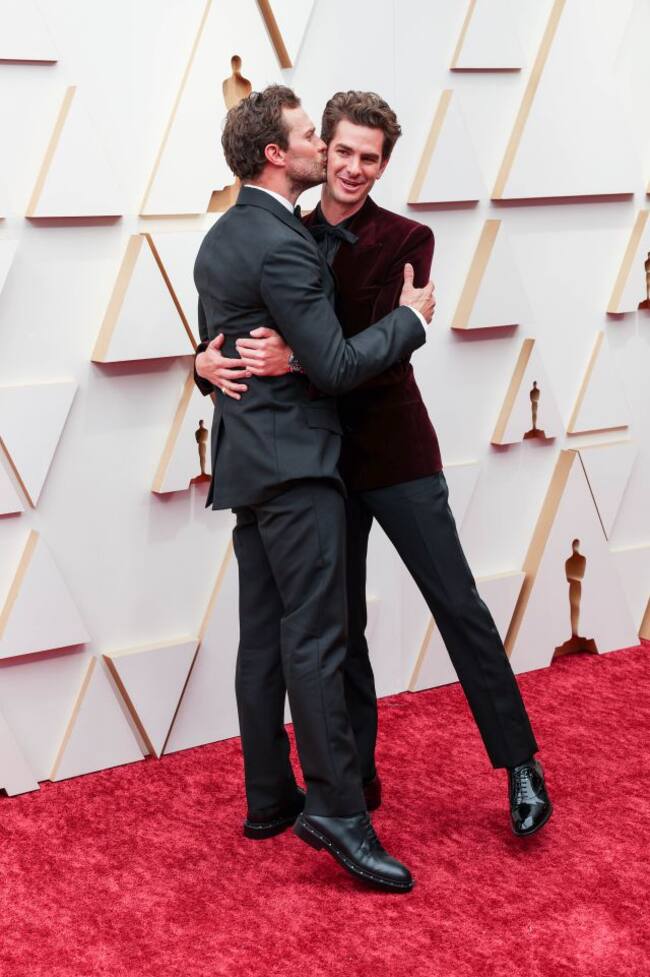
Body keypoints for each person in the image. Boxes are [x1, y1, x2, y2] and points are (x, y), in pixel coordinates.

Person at [200, 91, 553, 838]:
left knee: (457, 604)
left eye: (371, 157)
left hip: (393, 451)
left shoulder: (407, 239)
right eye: (344, 152)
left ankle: (520, 761)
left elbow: (345, 353)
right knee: (340, 627)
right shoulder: (279, 232)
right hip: (318, 467)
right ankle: (355, 779)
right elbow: (246, 322)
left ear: (384, 163)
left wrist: (303, 355)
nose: (355, 168)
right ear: (320, 151)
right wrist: (204, 364)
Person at [193, 84, 436, 892]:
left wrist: (202, 363)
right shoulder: (285, 244)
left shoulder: (219, 238)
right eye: (308, 135)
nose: (321, 147)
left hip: (247, 465)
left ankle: (269, 798)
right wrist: (408, 319)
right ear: (277, 153)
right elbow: (331, 366)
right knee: (318, 638)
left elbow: (221, 339)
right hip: (299, 467)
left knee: (263, 635)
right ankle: (335, 807)